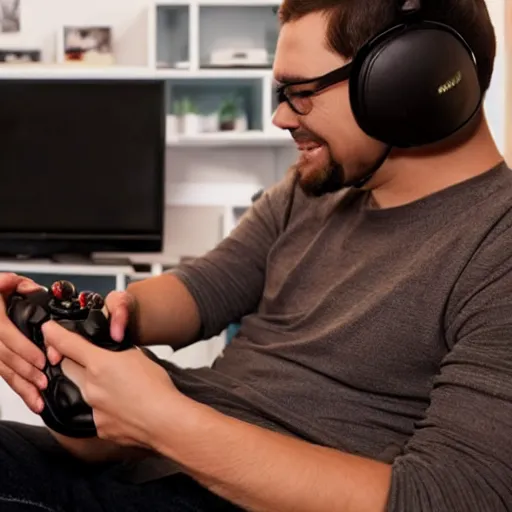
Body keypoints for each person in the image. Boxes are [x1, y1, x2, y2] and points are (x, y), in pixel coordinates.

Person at [0, 0, 510, 510]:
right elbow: (204, 288)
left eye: (302, 93)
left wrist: (159, 420)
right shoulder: (315, 191)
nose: (281, 115)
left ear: (415, 79)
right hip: (156, 459)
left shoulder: (498, 245)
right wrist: (84, 321)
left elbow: (452, 497)